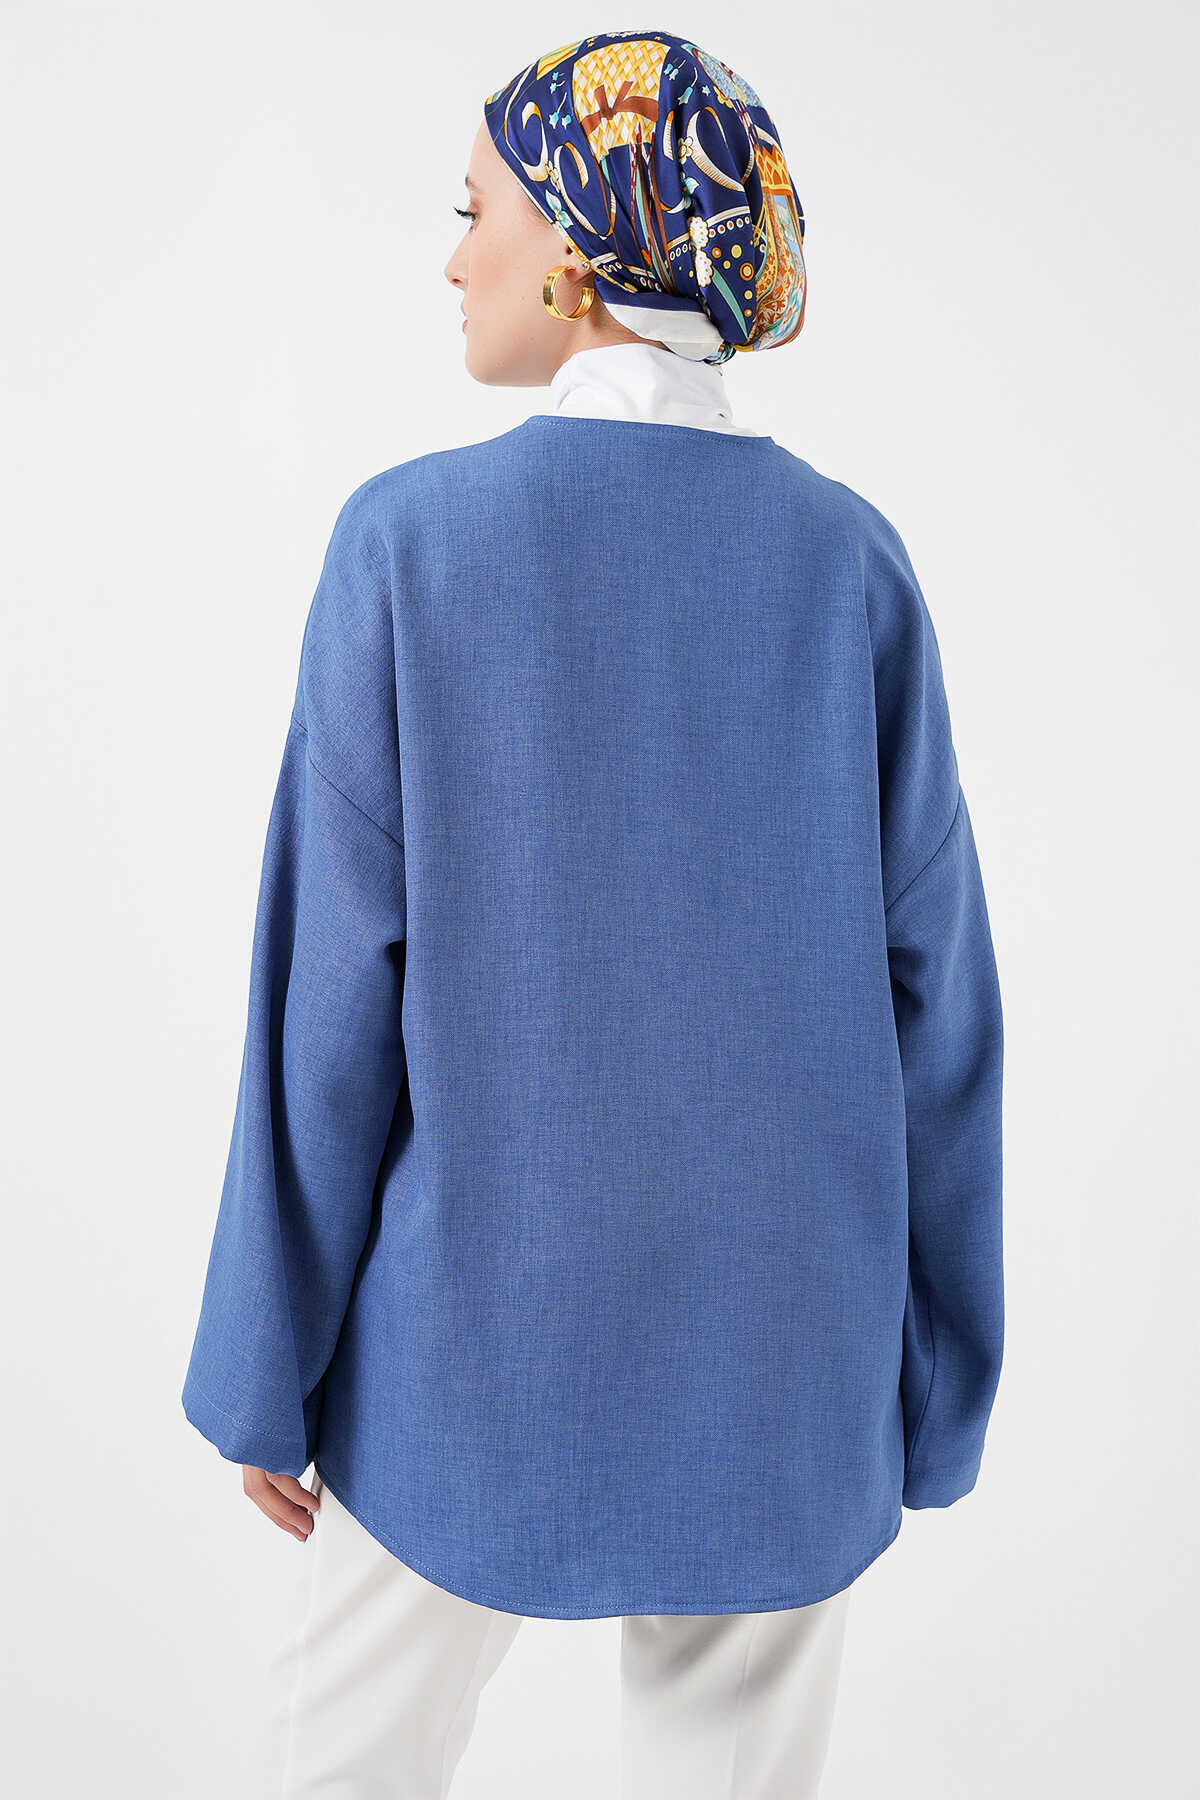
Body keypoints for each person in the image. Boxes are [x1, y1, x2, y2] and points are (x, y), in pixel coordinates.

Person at [181, 26, 1005, 1798]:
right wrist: (940, 1384)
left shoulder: (410, 548)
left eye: (473, 207)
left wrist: (268, 1362)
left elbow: (326, 1001)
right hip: (787, 1353)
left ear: (575, 242)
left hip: (467, 1347)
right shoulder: (850, 564)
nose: (452, 257)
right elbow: (938, 1005)